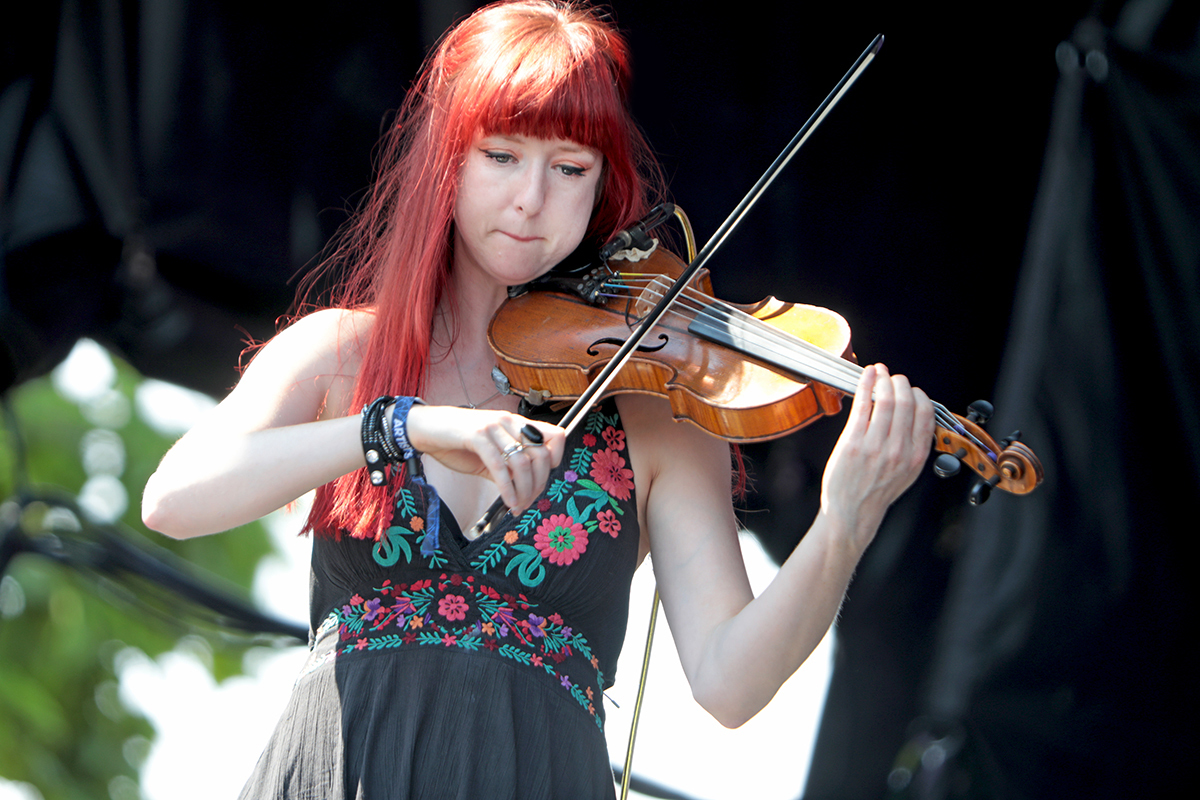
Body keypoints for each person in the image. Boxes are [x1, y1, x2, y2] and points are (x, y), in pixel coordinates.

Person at [141, 1, 935, 797]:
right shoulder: (343, 353)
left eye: (569, 169)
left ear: (601, 188)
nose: (530, 200)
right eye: (501, 156)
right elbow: (174, 498)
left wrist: (844, 523)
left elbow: (729, 683)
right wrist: (400, 426)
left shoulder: (653, 410)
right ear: (445, 161)